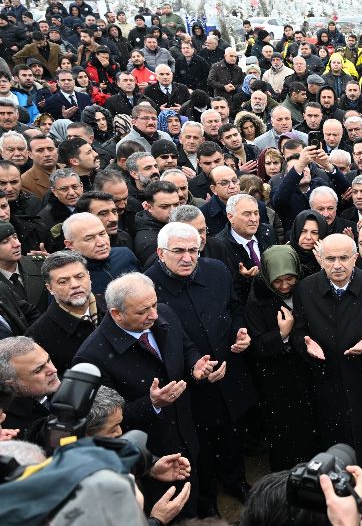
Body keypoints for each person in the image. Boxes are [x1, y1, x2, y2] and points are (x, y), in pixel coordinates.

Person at [72, 272, 224, 519]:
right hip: (151, 454)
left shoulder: (164, 313)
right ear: (116, 314)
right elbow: (101, 422)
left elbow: (186, 347)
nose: (154, 315)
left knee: (196, 496)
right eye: (143, 311)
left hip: (188, 430)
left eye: (153, 304)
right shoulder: (91, 356)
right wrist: (151, 404)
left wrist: (196, 367)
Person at [146, 222, 255, 511]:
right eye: (178, 251)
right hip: (186, 382)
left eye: (193, 250)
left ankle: (236, 482)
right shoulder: (148, 286)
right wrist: (193, 365)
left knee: (232, 433)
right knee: (199, 444)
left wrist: (240, 332)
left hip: (227, 368)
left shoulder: (217, 270)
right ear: (160, 252)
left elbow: (234, 308)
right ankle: (207, 500)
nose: (187, 258)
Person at [291, 234, 362, 495]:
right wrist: (306, 346)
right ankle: (339, 479)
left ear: (356, 258)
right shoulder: (306, 289)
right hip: (326, 377)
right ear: (319, 260)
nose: (337, 265)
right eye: (330, 259)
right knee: (334, 429)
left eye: (343, 258)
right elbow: (299, 330)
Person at [243, 245, 320, 471]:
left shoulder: (307, 287)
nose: (285, 286)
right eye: (278, 281)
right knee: (284, 429)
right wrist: (281, 334)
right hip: (277, 377)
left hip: (307, 368)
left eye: (290, 279)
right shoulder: (258, 298)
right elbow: (256, 345)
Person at [24, 250, 103, 375]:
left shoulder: (114, 307)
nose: (75, 285)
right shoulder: (38, 336)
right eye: (63, 281)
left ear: (89, 276)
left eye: (79, 277)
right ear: (50, 288)